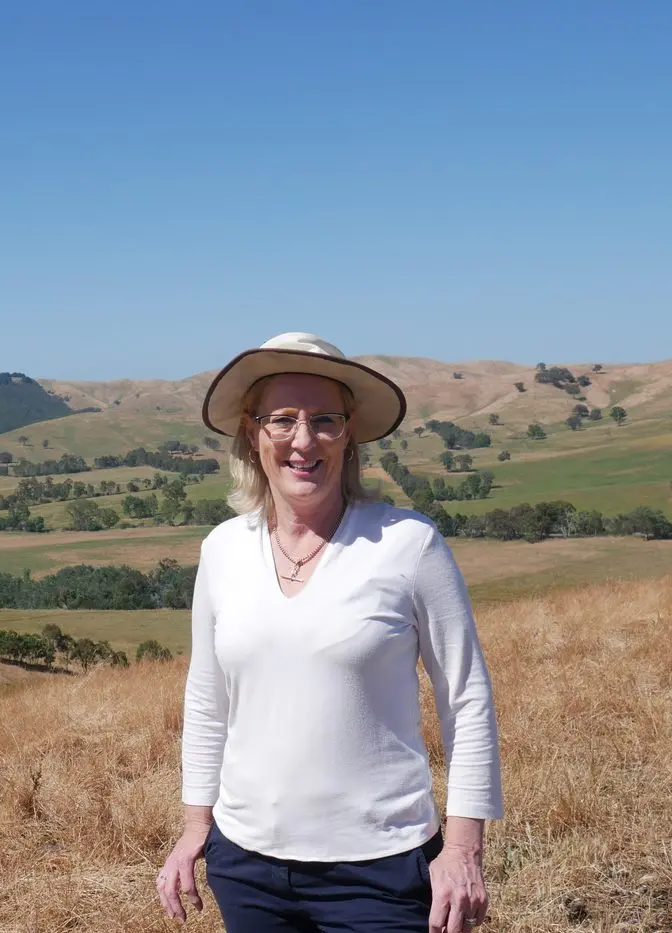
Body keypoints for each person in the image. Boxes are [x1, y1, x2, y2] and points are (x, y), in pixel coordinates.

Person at [156, 333, 503, 933]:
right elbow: (207, 700)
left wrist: (463, 848)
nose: (303, 439)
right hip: (245, 866)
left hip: (381, 867)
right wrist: (195, 828)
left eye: (325, 420)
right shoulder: (223, 550)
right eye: (283, 419)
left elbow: (466, 701)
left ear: (349, 434)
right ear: (252, 430)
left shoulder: (408, 544)